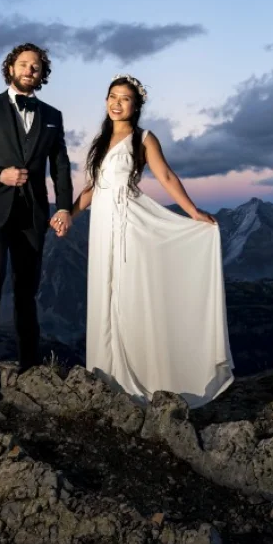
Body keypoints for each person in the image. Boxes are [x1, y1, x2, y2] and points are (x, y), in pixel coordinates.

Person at [62, 75, 234, 407]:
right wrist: (69, 214)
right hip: (101, 227)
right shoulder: (100, 141)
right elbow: (91, 189)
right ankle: (105, 375)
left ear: (136, 105)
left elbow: (166, 176)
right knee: (104, 293)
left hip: (129, 225)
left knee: (128, 296)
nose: (116, 103)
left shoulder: (143, 138)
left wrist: (193, 212)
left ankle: (138, 378)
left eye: (124, 99)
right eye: (112, 97)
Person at [0, 42, 74, 399]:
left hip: (34, 214)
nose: (29, 70)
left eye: (36, 66)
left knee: (26, 291)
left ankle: (30, 365)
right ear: (10, 69)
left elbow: (60, 165)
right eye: (23, 64)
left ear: (42, 74)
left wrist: (64, 206)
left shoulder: (53, 114)